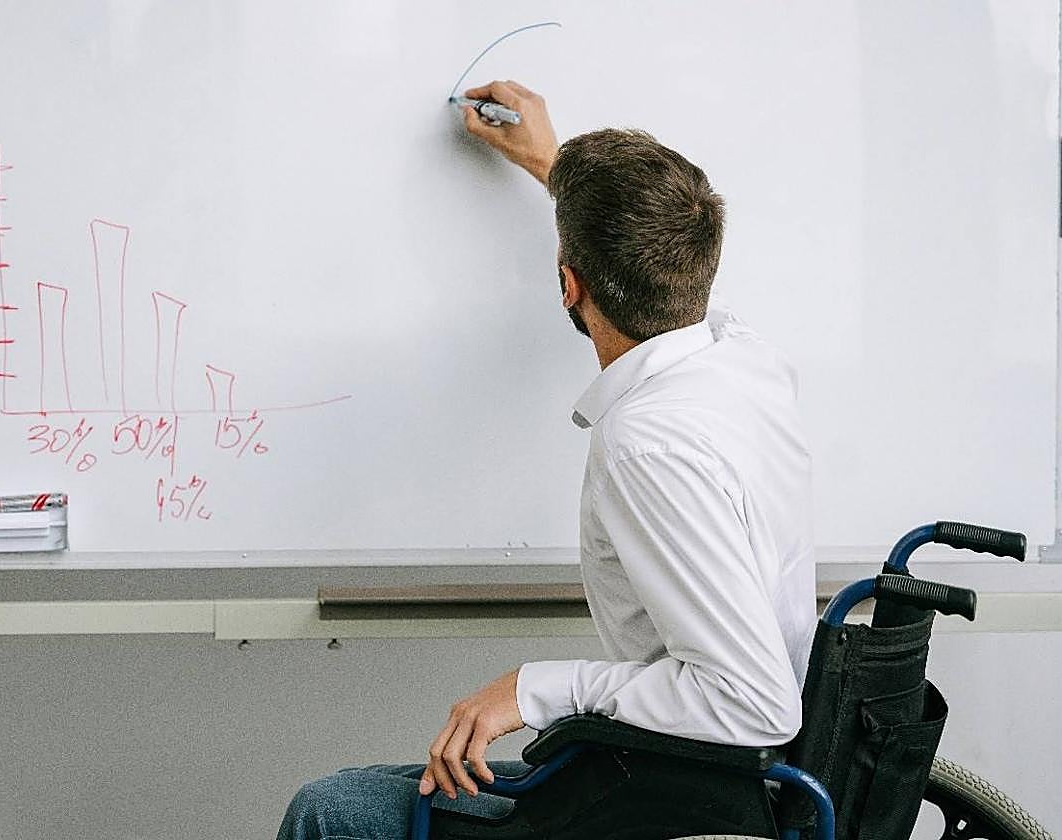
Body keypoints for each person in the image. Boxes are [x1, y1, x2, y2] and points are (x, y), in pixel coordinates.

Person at [277, 80, 816, 840]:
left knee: (331, 812)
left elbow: (751, 700)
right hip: (699, 768)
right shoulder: (742, 359)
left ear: (569, 285)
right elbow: (646, 242)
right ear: (698, 264)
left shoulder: (650, 445)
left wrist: (532, 690)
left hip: (683, 788)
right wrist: (554, 166)